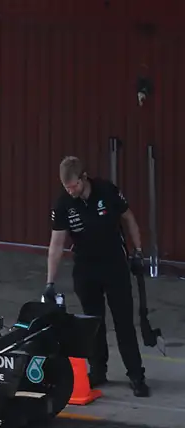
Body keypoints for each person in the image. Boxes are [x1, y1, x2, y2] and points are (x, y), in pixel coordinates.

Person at [45, 156, 150, 397]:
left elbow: (129, 219)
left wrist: (138, 252)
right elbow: (56, 243)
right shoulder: (63, 205)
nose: (70, 191)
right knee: (93, 323)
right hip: (85, 269)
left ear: (84, 178)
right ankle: (98, 370)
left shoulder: (106, 190)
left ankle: (136, 375)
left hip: (114, 266)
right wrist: (49, 281)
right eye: (66, 187)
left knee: (124, 323)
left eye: (74, 186)